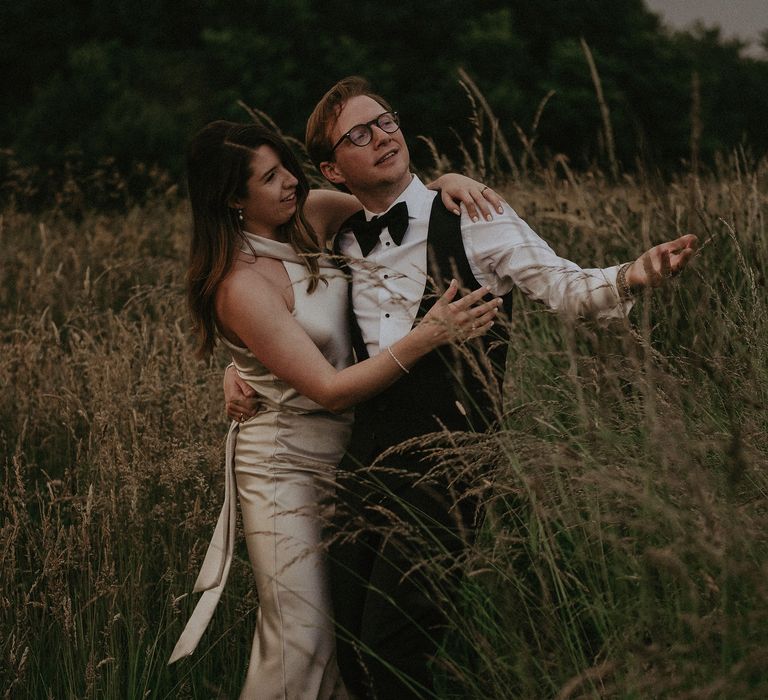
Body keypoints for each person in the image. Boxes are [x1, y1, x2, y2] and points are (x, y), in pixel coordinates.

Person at [228, 76, 698, 698]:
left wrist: (632, 276)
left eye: (387, 120)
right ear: (332, 171)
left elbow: (568, 290)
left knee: (397, 646)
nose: (383, 137)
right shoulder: (336, 239)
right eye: (358, 135)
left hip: (446, 469)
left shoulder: (474, 217)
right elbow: (280, 316)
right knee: (350, 650)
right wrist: (237, 371)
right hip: (360, 466)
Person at [167, 119, 503, 700]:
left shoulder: (312, 213)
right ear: (232, 199)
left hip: (352, 456)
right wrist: (429, 334)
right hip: (284, 466)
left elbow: (395, 198)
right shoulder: (239, 285)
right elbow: (328, 388)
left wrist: (449, 179)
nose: (289, 184)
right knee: (299, 637)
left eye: (287, 167)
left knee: (350, 633)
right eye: (269, 179)